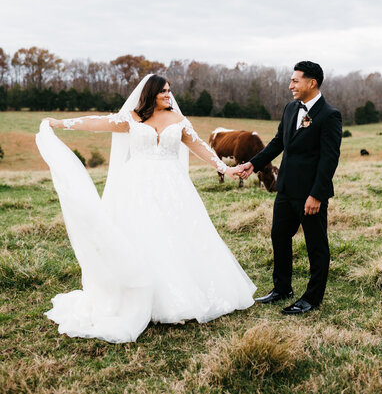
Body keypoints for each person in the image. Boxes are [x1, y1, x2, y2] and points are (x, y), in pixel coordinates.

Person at [36, 74, 255, 343]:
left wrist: (225, 168)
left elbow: (199, 146)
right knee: (142, 237)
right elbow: (96, 123)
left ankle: (179, 298)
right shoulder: (132, 118)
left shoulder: (178, 120)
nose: (168, 94)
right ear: (150, 94)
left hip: (173, 187)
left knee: (177, 237)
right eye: (163, 91)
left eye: (169, 90)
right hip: (136, 187)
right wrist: (59, 123)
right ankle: (143, 298)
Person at [238, 61, 342, 315]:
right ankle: (282, 288)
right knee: (279, 236)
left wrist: (317, 194)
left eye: (295, 81)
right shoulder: (290, 108)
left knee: (316, 245)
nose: (290, 85)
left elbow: (329, 159)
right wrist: (254, 163)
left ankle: (312, 298)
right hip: (285, 190)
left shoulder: (329, 115)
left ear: (312, 83)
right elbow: (277, 143)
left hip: (310, 194)